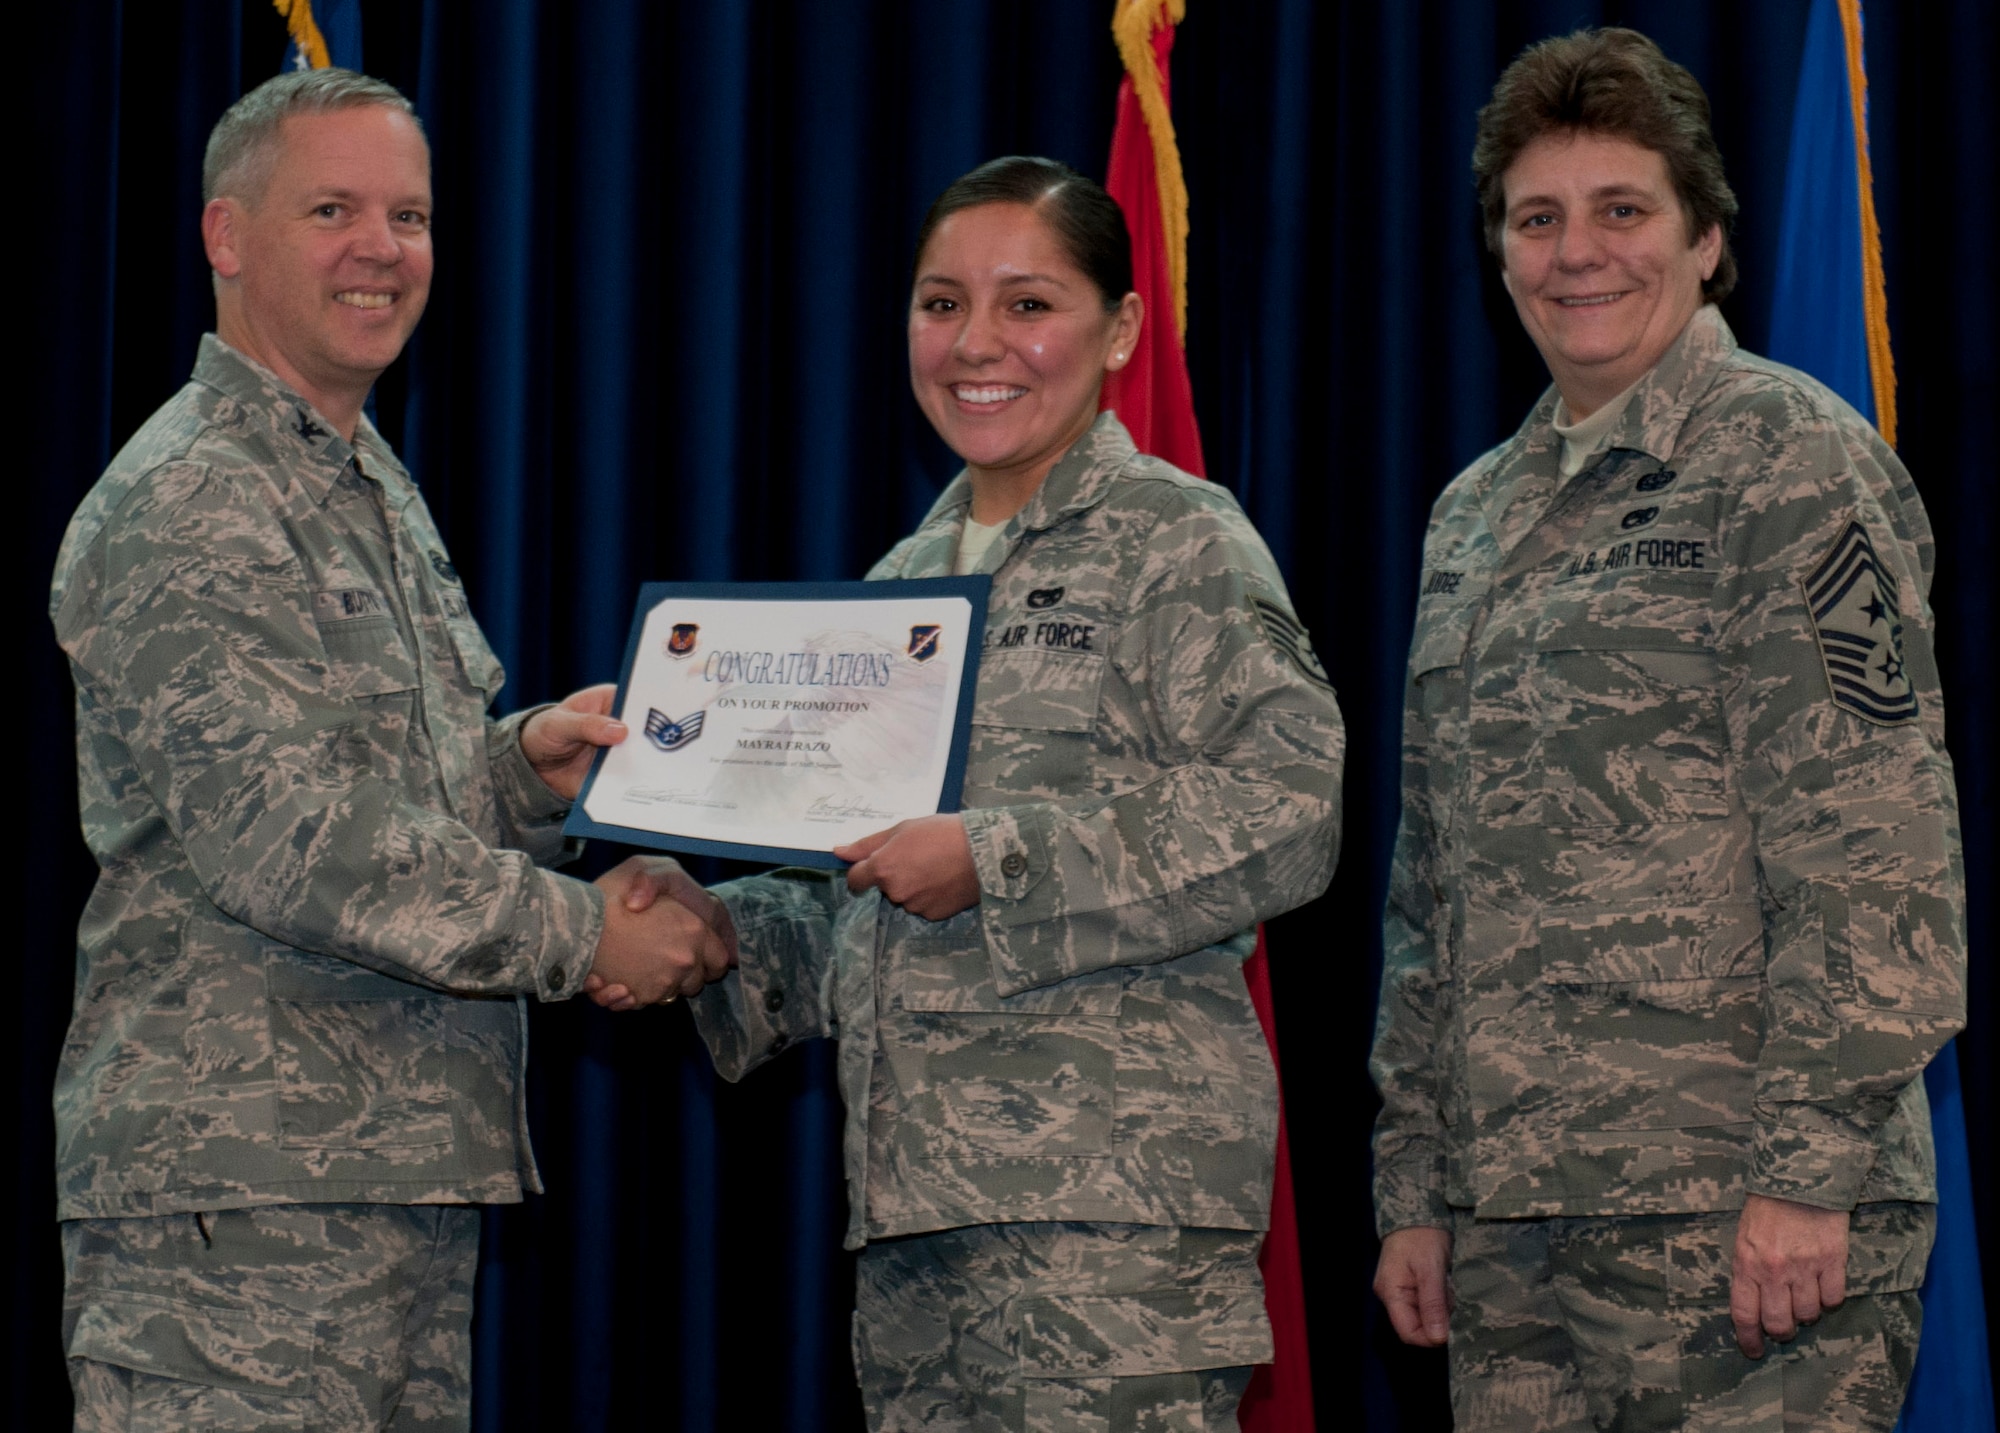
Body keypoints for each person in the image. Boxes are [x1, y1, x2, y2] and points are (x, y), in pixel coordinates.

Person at [597, 156, 1344, 1430]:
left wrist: (991, 858)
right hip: (915, 1235)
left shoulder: (1177, 538)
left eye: (1027, 304)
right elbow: (861, 887)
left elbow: (1289, 809)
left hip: (1110, 1232)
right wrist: (708, 933)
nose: (976, 343)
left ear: (1118, 330)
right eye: (941, 304)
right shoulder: (903, 580)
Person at [50, 69, 726, 1429]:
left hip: (380, 1178)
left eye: (409, 215)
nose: (384, 247)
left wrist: (525, 768)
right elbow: (291, 841)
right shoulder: (193, 496)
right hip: (238, 1213)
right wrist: (582, 932)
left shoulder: (357, 478)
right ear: (226, 237)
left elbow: (377, 791)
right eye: (334, 209)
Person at [1368, 27, 1966, 1433]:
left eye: (1622, 210)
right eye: (1538, 217)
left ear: (1705, 239)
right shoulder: (1471, 516)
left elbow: (1873, 838)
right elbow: (1429, 886)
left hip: (1741, 1218)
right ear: (1500, 250)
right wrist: (1415, 1180)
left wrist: (1810, 1170)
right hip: (1511, 1226)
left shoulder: (1789, 458)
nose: (1578, 252)